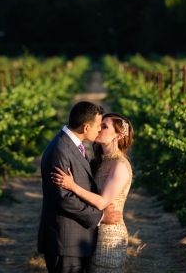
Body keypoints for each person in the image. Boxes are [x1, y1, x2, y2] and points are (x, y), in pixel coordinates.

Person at [38, 101, 122, 273]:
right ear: (86, 128)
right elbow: (64, 198)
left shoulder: (72, 146)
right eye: (98, 126)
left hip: (75, 242)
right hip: (65, 242)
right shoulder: (60, 150)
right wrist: (100, 217)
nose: (99, 130)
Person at [51, 112, 134, 272]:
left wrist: (72, 186)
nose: (99, 129)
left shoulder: (119, 165)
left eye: (104, 126)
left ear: (118, 135)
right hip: (91, 230)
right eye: (99, 125)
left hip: (110, 235)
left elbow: (102, 202)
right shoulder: (99, 161)